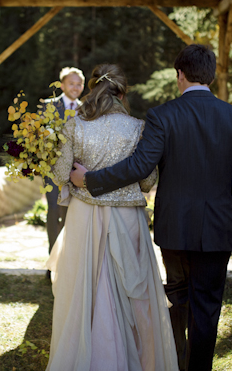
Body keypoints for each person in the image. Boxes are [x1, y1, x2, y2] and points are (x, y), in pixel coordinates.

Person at [71, 44, 232, 371]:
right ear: (211, 76)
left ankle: (174, 362)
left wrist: (91, 180)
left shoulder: (163, 115)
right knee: (208, 306)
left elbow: (139, 167)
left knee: (176, 298)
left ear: (180, 75)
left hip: (175, 227)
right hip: (218, 229)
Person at [46, 64, 178, 370]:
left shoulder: (74, 124)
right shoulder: (139, 127)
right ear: (122, 92)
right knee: (131, 292)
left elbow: (60, 173)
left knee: (85, 289)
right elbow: (147, 181)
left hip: (84, 214)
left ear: (93, 88)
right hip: (126, 218)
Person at [44, 67, 84, 277]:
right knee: (54, 214)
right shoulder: (48, 107)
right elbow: (39, 138)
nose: (75, 87)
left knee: (71, 216)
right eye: (71, 83)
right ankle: (53, 264)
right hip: (52, 172)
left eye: (79, 84)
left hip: (76, 173)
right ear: (62, 85)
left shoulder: (86, 109)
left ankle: (68, 264)